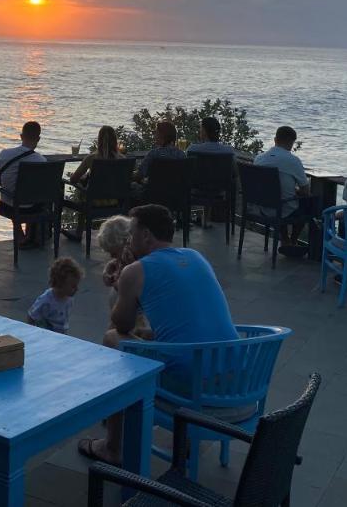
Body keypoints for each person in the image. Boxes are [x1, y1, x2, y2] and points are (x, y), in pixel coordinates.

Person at [78, 204, 236, 466]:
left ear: (146, 236)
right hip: (234, 377)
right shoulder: (196, 256)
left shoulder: (136, 271)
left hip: (193, 384)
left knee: (112, 339)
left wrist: (124, 281)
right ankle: (183, 439)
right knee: (166, 339)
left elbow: (122, 324)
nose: (129, 239)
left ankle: (113, 447)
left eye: (132, 233)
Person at [254, 126, 311, 256]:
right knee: (308, 204)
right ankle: (293, 240)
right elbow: (306, 190)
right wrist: (296, 191)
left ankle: (285, 239)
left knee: (282, 200)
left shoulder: (259, 158)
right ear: (291, 143)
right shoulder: (293, 161)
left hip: (262, 207)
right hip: (281, 208)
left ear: (275, 139)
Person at [0, 121, 47, 247]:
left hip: (8, 206)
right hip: (33, 207)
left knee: (15, 199)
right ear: (38, 139)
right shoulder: (42, 161)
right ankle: (31, 236)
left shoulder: (4, 154)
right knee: (33, 198)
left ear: (21, 136)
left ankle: (20, 235)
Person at [68, 125, 122, 206]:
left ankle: (81, 218)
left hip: (93, 202)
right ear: (115, 140)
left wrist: (83, 178)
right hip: (116, 201)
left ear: (99, 140)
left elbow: (73, 179)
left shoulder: (91, 158)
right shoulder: (122, 159)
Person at [28, 256, 82, 333]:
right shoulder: (46, 300)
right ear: (60, 284)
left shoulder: (69, 298)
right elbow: (31, 316)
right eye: (73, 286)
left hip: (61, 333)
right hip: (48, 335)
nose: (77, 289)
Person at [133, 120, 185, 186]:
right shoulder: (181, 155)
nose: (154, 135)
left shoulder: (154, 154)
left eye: (156, 133)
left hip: (154, 194)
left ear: (162, 136)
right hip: (177, 194)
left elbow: (139, 175)